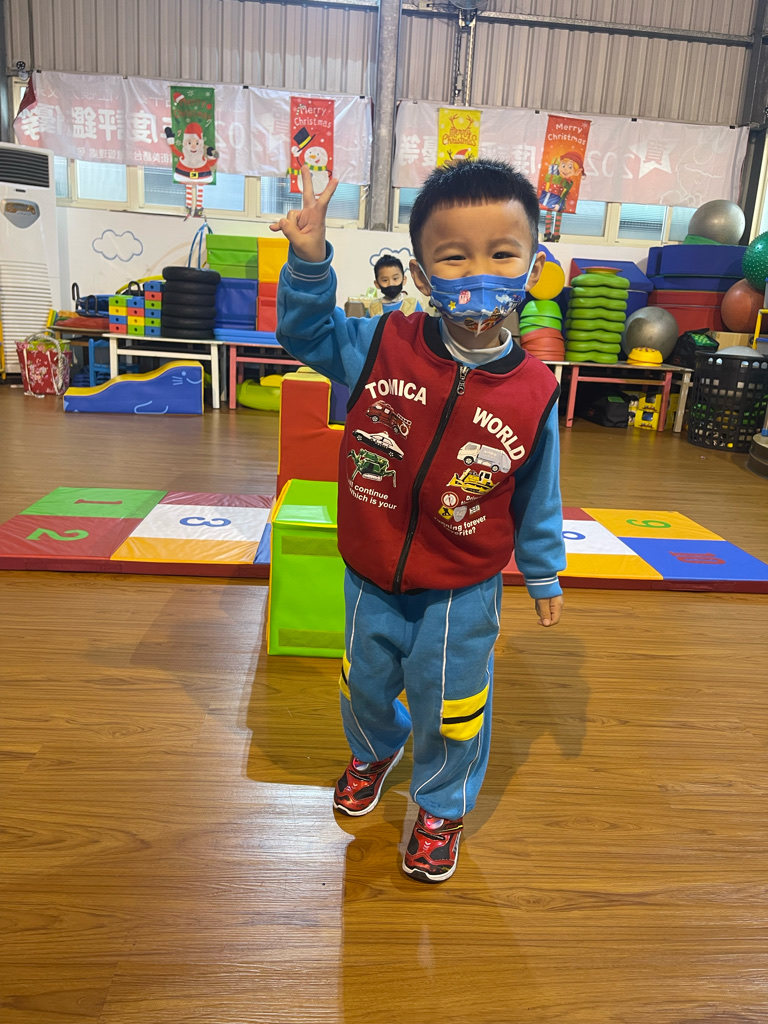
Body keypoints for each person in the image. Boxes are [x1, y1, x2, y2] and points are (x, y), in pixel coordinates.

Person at [273, 159, 565, 884]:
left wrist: (543, 571)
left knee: (454, 704)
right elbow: (306, 333)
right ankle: (375, 749)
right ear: (422, 274)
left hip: (462, 587)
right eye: (454, 256)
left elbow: (538, 489)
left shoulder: (535, 388)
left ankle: (441, 805)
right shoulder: (383, 344)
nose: (480, 273)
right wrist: (309, 263)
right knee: (364, 684)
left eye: (503, 253)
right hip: (370, 568)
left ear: (534, 266)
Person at [539, 151, 585, 241]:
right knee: (549, 213)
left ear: (577, 172)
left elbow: (564, 194)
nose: (565, 170)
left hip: (559, 201)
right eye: (563, 165)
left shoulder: (569, 182)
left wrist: (559, 204)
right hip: (551, 198)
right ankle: (547, 234)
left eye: (570, 167)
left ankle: (556, 235)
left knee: (558, 215)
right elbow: (548, 181)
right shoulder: (555, 176)